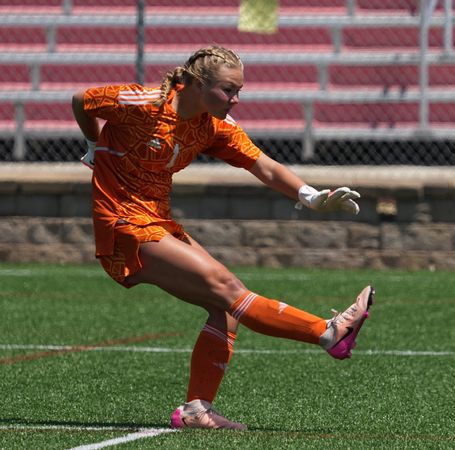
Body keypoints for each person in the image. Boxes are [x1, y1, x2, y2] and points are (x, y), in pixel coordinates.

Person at [71, 45, 375, 431]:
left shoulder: (211, 124)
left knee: (228, 308)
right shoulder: (143, 103)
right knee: (227, 286)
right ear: (197, 84)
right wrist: (94, 144)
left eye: (239, 91)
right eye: (228, 91)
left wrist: (311, 197)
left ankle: (197, 410)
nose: (235, 100)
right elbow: (82, 100)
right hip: (123, 225)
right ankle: (328, 333)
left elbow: (262, 164)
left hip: (159, 223)